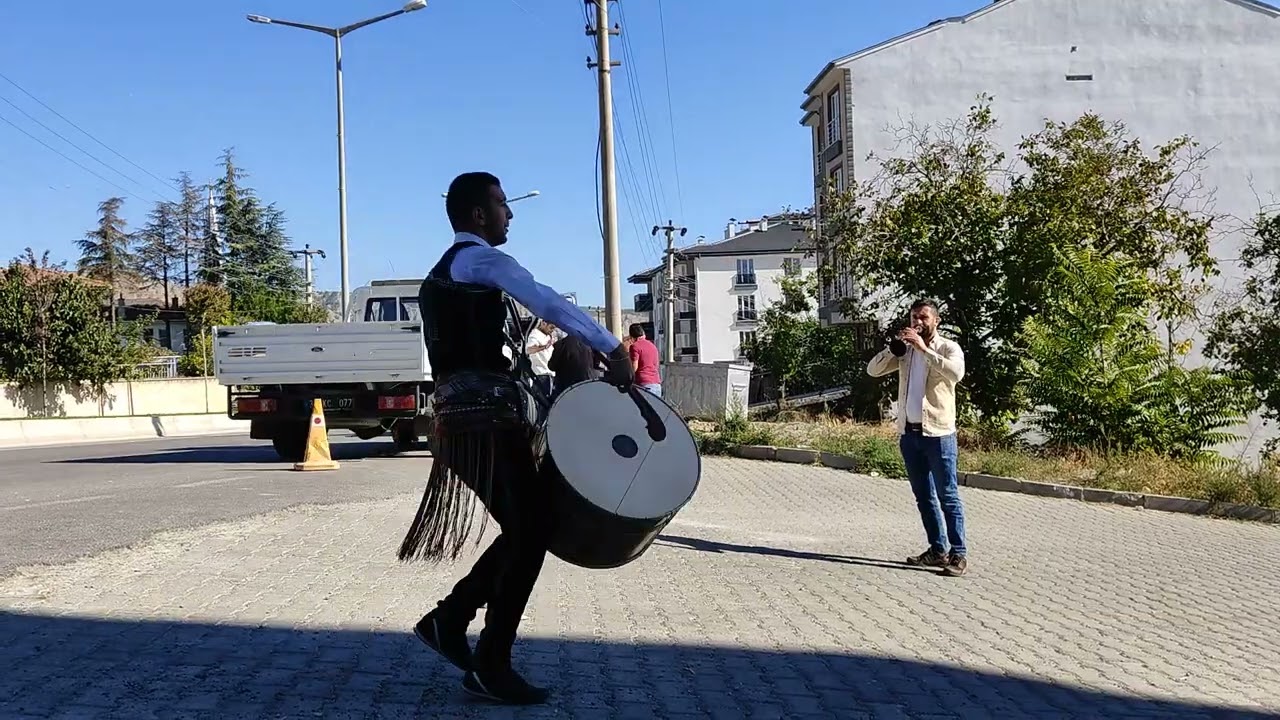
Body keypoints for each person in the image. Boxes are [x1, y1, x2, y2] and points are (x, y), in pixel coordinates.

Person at [399, 171, 634, 705]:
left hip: (462, 426)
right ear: (478, 215)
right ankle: (489, 659)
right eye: (503, 205)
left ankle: (452, 620)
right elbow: (549, 302)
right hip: (485, 425)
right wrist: (611, 348)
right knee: (531, 533)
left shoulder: (445, 273)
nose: (510, 214)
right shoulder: (480, 261)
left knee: (528, 530)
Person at [866, 299, 969, 577]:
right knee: (924, 497)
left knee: (948, 495)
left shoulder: (948, 348)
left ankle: (958, 553)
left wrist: (924, 350)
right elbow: (872, 370)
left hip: (938, 434)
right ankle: (937, 550)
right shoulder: (906, 352)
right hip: (909, 434)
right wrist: (893, 348)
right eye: (914, 317)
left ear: (936, 320)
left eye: (923, 317)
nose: (917, 322)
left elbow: (956, 373)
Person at [547, 331, 599, 400]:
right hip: (587, 382)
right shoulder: (589, 344)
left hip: (567, 386)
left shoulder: (561, 344)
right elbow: (596, 362)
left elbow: (551, 366)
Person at [627, 324, 662, 396]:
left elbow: (634, 367)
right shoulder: (652, 346)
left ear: (631, 336)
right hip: (656, 384)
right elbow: (656, 365)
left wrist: (627, 378)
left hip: (644, 385)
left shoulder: (635, 346)